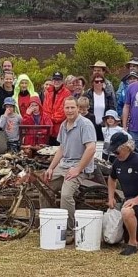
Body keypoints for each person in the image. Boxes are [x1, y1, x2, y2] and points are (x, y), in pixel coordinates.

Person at [44, 97, 96, 243]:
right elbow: (61, 148)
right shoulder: (63, 125)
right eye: (67, 108)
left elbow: (91, 148)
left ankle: (69, 231)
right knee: (44, 187)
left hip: (80, 166)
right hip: (64, 165)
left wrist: (78, 169)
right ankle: (50, 223)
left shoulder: (85, 125)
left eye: (72, 107)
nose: (70, 110)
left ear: (78, 108)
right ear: (63, 109)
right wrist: (51, 168)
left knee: (66, 195)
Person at [43, 72, 71, 145]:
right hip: (48, 128)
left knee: (59, 150)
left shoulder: (66, 93)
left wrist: (50, 118)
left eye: (59, 80)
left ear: (62, 81)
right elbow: (45, 109)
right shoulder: (48, 92)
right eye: (55, 80)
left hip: (60, 128)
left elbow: (63, 112)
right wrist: (47, 120)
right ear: (52, 81)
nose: (56, 82)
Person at [85, 73, 116, 141]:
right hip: (90, 126)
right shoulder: (87, 95)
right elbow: (85, 110)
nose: (99, 83)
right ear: (92, 83)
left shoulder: (108, 95)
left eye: (101, 81)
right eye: (96, 81)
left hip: (104, 126)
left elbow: (112, 110)